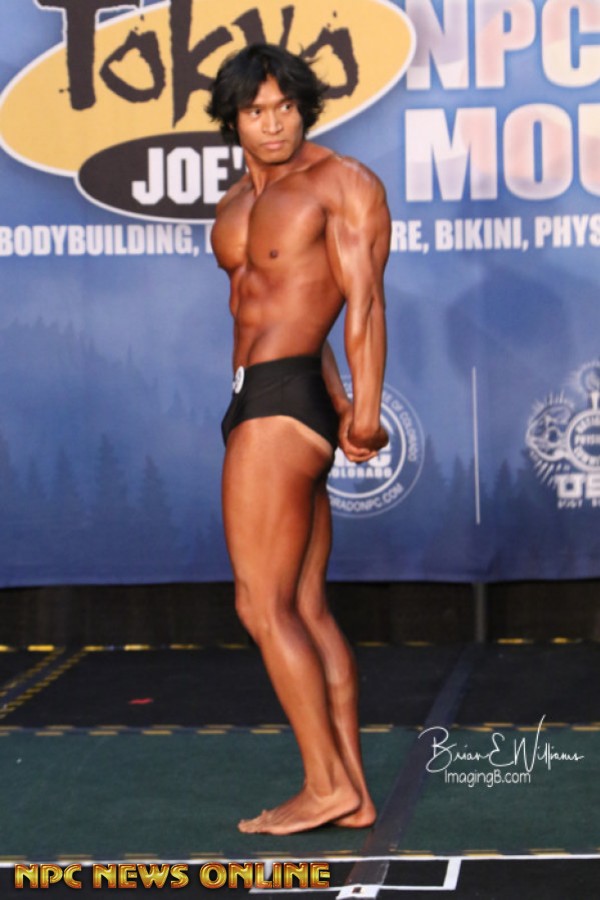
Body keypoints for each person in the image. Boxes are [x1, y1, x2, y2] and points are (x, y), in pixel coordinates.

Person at [207, 43, 390, 835]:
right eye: (257, 111)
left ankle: (322, 786)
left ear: (304, 109)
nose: (274, 123)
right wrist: (338, 399)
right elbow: (270, 305)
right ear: (234, 119)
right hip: (269, 394)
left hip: (281, 406)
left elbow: (363, 303)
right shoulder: (233, 206)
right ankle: (356, 793)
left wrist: (365, 412)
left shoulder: (340, 182)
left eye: (285, 107)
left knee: (259, 604)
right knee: (305, 606)